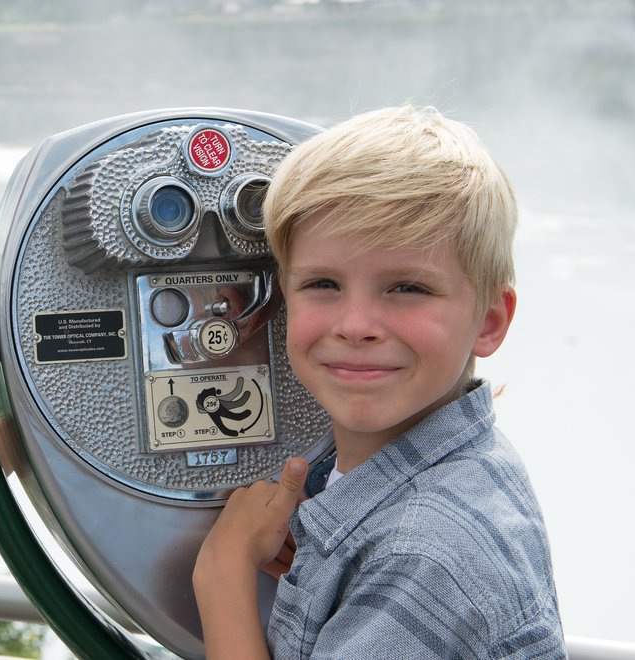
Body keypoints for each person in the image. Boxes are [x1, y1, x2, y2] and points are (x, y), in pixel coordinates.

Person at [193, 105, 565, 659]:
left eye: (407, 288)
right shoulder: (463, 474)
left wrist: (222, 574)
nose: (356, 326)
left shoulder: (425, 558)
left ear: (489, 321)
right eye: (323, 283)